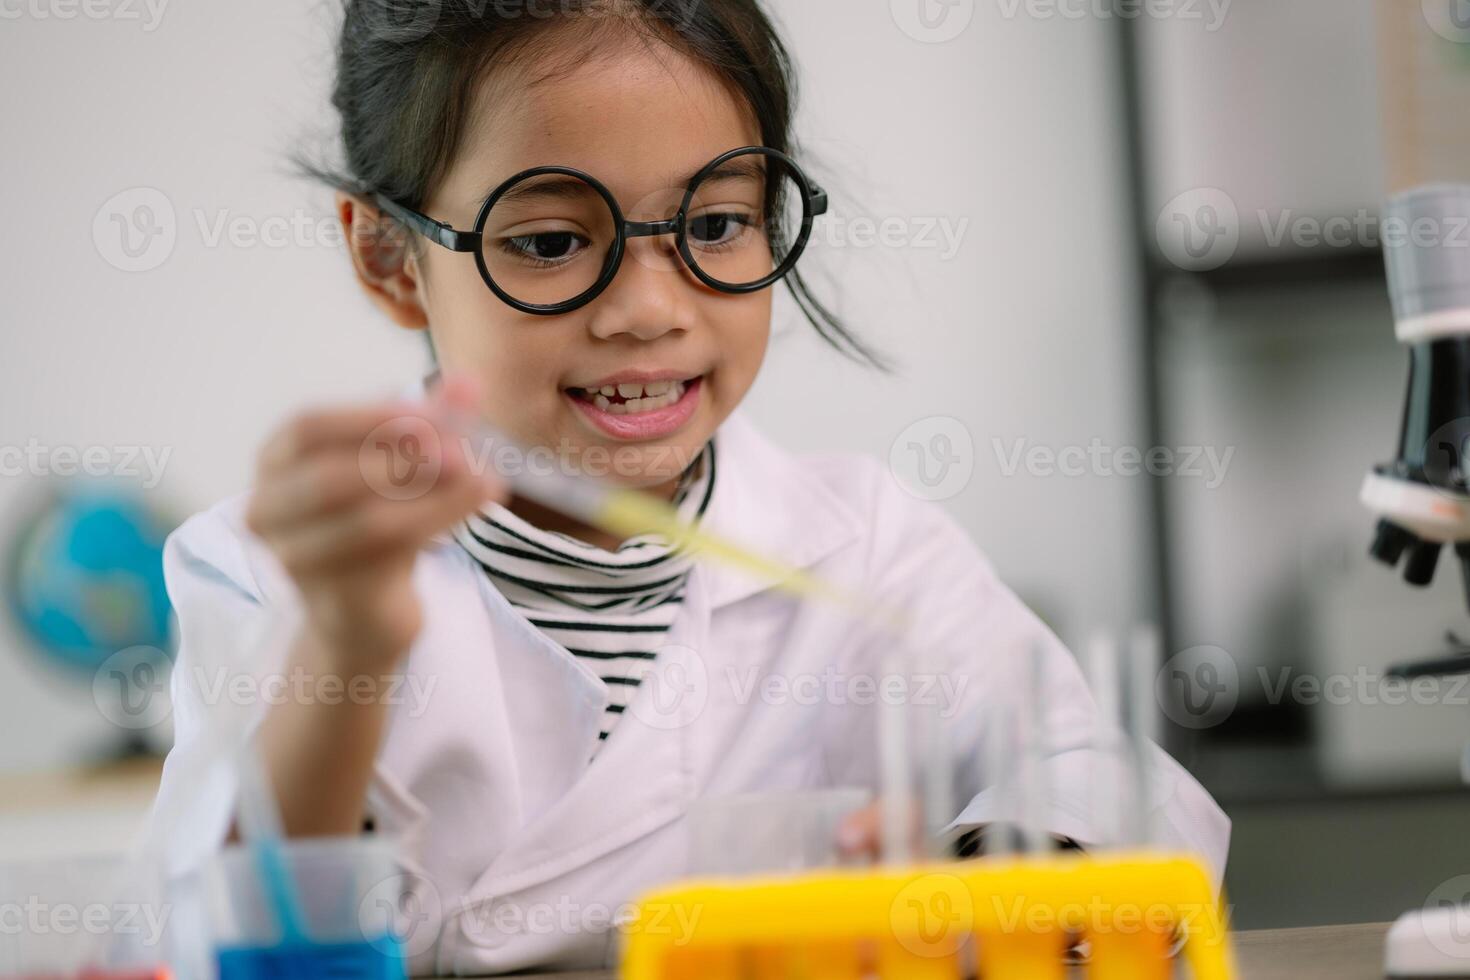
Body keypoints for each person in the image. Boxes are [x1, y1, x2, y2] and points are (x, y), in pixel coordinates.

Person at [155, 0, 1230, 972]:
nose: (649, 309)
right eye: (550, 240)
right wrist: (345, 639)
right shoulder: (267, 574)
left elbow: (1096, 772)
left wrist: (991, 880)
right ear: (391, 257)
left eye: (715, 223)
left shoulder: (863, 545)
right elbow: (215, 936)